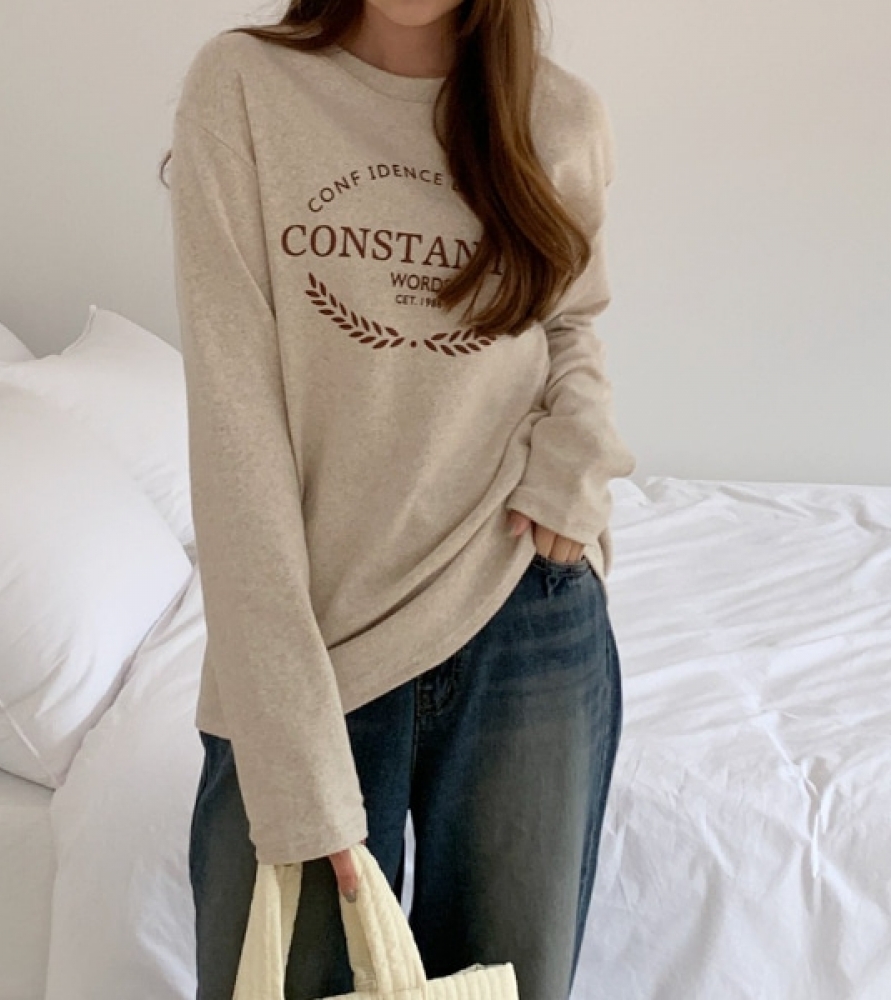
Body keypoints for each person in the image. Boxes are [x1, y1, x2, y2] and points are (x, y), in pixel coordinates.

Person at [161, 1, 636, 997]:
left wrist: (575, 466)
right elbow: (236, 429)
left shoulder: (557, 115)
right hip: (314, 639)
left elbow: (569, 324)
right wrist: (294, 759)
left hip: (522, 608)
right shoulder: (244, 87)